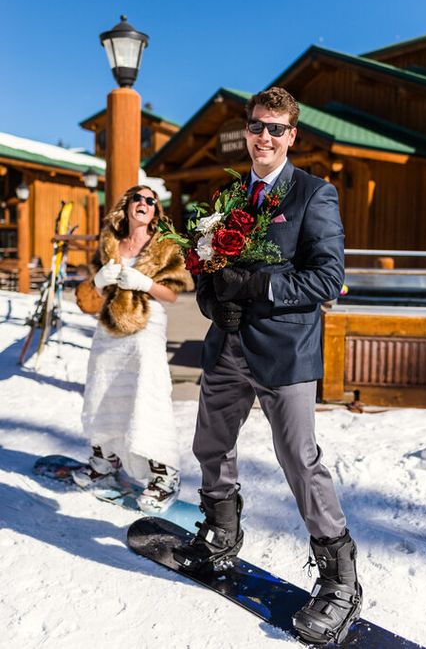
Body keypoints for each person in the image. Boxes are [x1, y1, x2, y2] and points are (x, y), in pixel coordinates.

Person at [174, 87, 362, 646]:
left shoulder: (313, 194)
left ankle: (340, 582)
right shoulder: (229, 196)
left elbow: (328, 278)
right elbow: (206, 267)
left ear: (291, 136)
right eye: (257, 126)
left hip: (284, 352)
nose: (265, 137)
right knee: (211, 444)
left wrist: (259, 284)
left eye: (276, 129)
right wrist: (213, 297)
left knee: (300, 461)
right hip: (226, 346)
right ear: (247, 130)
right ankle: (220, 533)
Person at [73, 185, 194, 512]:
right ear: (126, 206)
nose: (143, 203)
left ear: (156, 211)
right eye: (137, 198)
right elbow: (88, 296)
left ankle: (164, 474)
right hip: (108, 326)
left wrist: (145, 284)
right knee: (102, 392)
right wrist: (98, 280)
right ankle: (104, 462)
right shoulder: (109, 242)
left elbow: (177, 293)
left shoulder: (166, 246)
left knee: (146, 397)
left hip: (147, 325)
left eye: (150, 200)